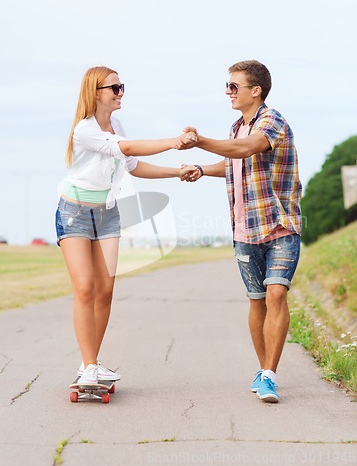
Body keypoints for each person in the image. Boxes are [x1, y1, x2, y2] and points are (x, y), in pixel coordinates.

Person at [56, 66, 197, 385]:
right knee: (84, 288)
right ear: (96, 92)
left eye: (122, 87)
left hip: (107, 213)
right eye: (114, 88)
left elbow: (132, 165)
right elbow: (128, 149)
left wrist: (177, 172)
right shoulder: (84, 130)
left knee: (105, 291)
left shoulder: (115, 124)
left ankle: (89, 364)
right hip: (74, 212)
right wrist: (175, 141)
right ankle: (89, 366)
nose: (121, 93)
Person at [179, 60, 302, 403]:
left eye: (234, 86)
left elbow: (246, 150)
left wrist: (200, 140)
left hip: (279, 224)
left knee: (277, 293)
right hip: (244, 229)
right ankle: (264, 369)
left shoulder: (271, 120)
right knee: (257, 300)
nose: (228, 92)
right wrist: (203, 169)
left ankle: (269, 375)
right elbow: (233, 160)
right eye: (228, 86)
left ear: (255, 90)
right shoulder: (236, 127)